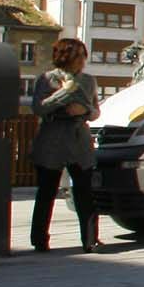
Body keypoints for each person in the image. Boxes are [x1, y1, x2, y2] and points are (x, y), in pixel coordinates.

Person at [30, 38, 101, 253]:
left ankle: (90, 240)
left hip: (79, 140)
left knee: (85, 192)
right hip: (53, 139)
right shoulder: (47, 79)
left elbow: (96, 110)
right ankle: (40, 240)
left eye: (83, 55)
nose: (81, 60)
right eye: (77, 55)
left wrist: (85, 112)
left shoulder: (89, 81)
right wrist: (64, 93)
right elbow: (39, 108)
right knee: (47, 192)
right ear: (65, 56)